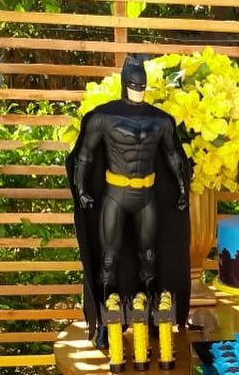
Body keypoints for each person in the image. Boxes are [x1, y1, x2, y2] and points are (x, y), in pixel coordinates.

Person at [66, 55, 191, 340]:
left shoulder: (160, 120)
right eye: (135, 85)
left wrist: (182, 189)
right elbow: (84, 156)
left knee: (150, 257)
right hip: (115, 194)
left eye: (142, 86)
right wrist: (81, 188)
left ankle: (153, 319)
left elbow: (174, 157)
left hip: (147, 194)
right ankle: (105, 322)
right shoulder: (103, 117)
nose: (138, 90)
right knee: (109, 259)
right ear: (125, 84)